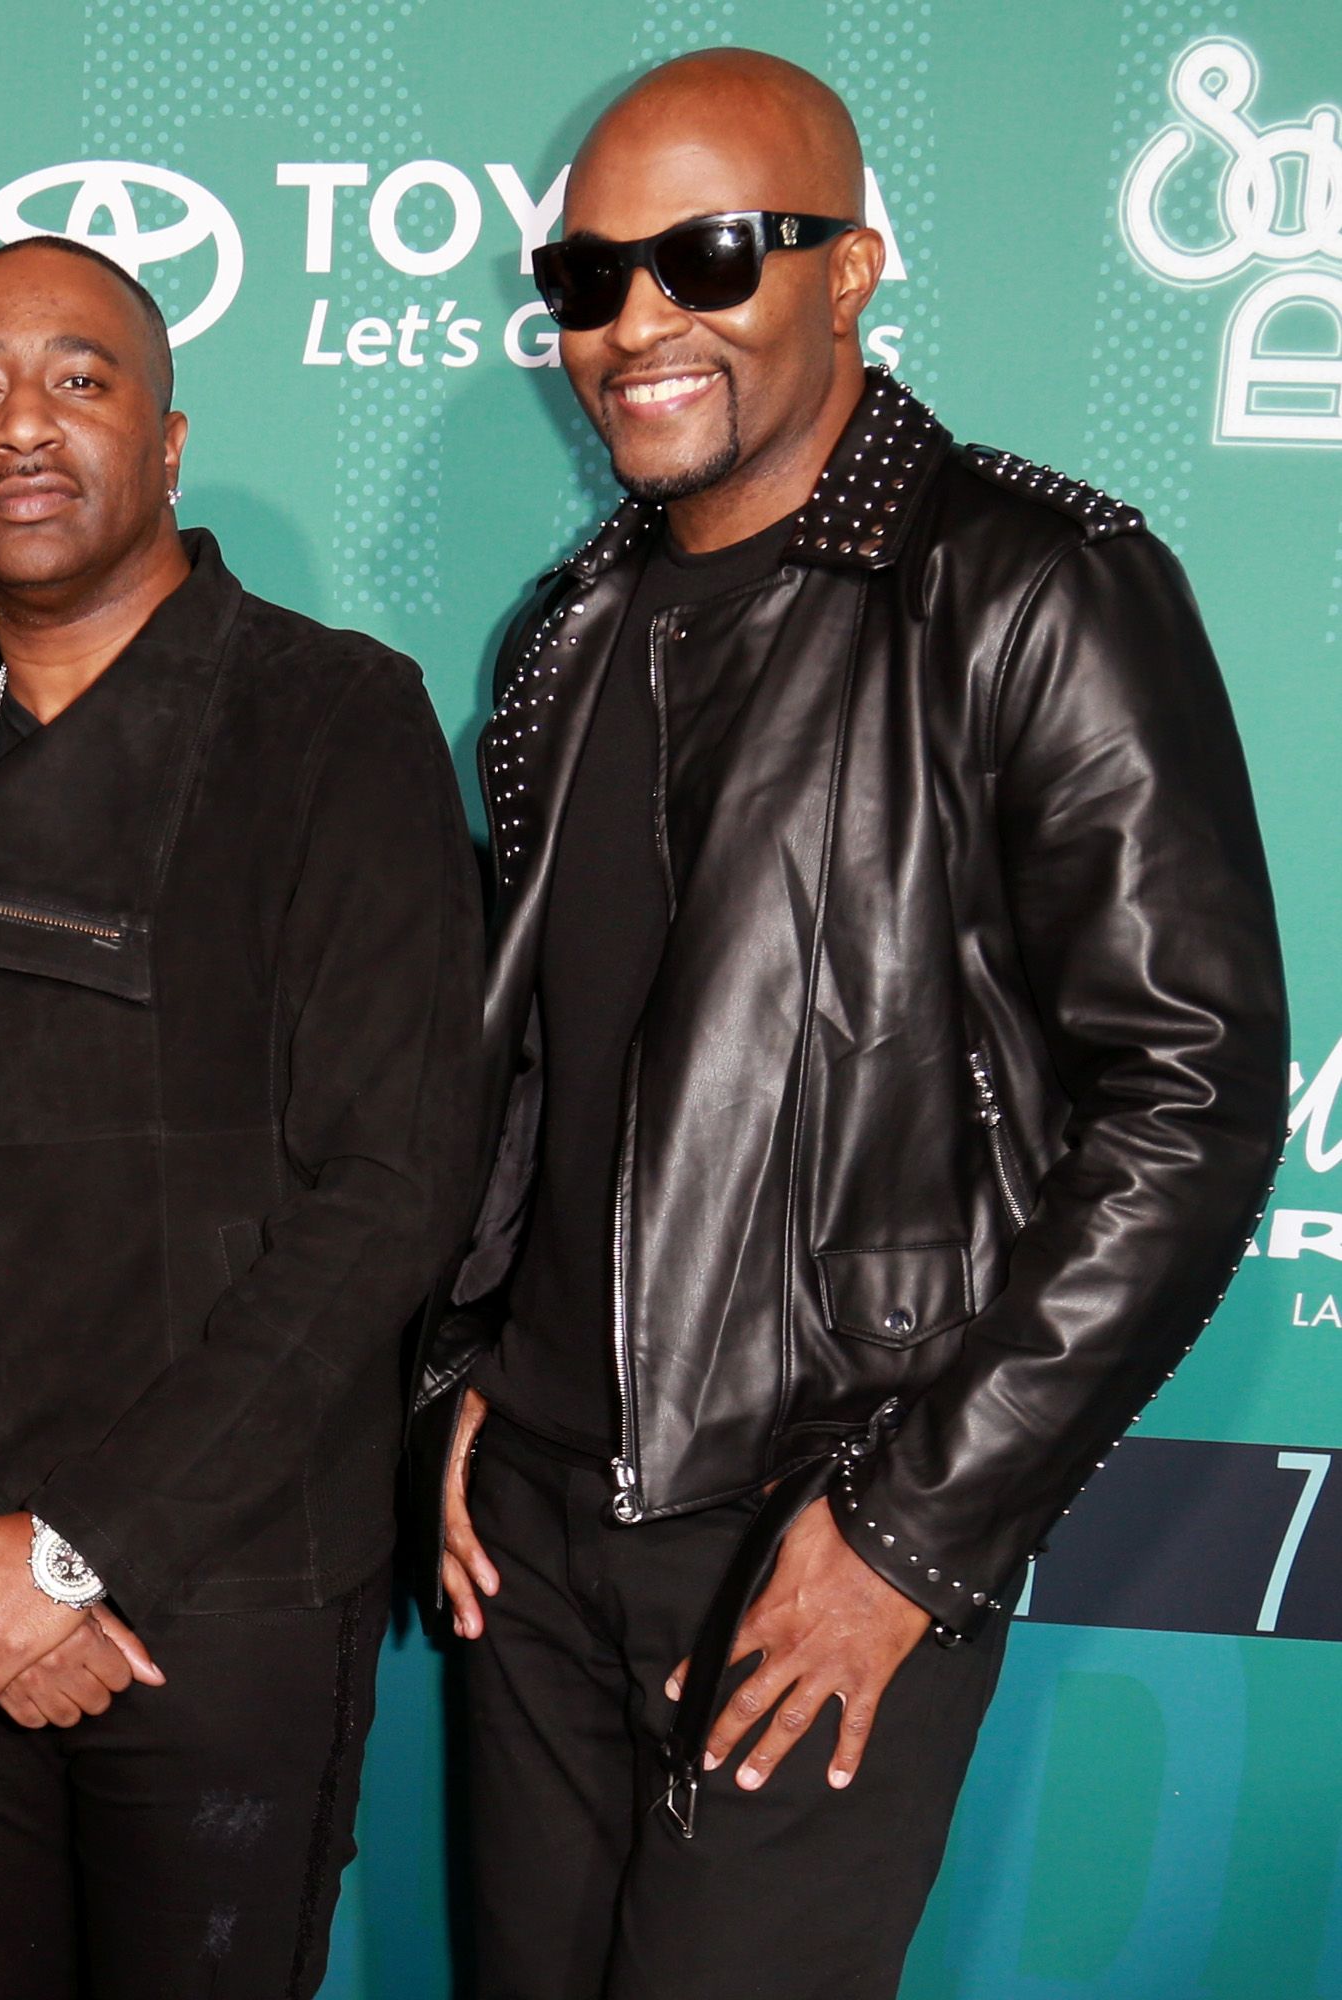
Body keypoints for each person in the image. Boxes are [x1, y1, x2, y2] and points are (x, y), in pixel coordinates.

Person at [421, 50, 1286, 2000]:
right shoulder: (563, 632)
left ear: (852, 271)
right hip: (535, 1526)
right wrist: (472, 1355)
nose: (640, 321)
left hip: (822, 1510)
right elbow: (549, 1066)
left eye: (711, 256)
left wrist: (912, 1531)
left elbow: (1192, 1098)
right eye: (588, 278)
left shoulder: (1032, 587)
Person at [0, 233, 484, 1996]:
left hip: (223, 1588)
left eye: (78, 380)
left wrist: (83, 1551)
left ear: (168, 445)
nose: (21, 424)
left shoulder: (332, 718)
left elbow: (389, 1190)